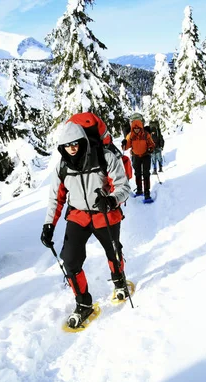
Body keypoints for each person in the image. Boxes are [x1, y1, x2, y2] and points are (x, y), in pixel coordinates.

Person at [40, 116, 131, 329]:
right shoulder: (62, 167)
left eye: (75, 144)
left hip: (104, 213)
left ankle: (119, 283)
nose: (72, 149)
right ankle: (83, 304)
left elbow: (123, 187)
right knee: (70, 260)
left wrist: (111, 199)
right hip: (78, 215)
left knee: (113, 250)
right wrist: (49, 225)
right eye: (67, 146)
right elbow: (56, 197)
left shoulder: (105, 157)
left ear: (82, 141)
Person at [124, 117, 155, 200]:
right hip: (136, 156)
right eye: (135, 128)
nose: (136, 130)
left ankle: (147, 192)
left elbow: (151, 144)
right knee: (137, 174)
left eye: (138, 128)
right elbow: (125, 147)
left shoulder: (146, 134)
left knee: (146, 174)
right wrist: (124, 143)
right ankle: (139, 190)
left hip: (146, 156)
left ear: (141, 127)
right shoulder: (130, 135)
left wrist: (150, 148)